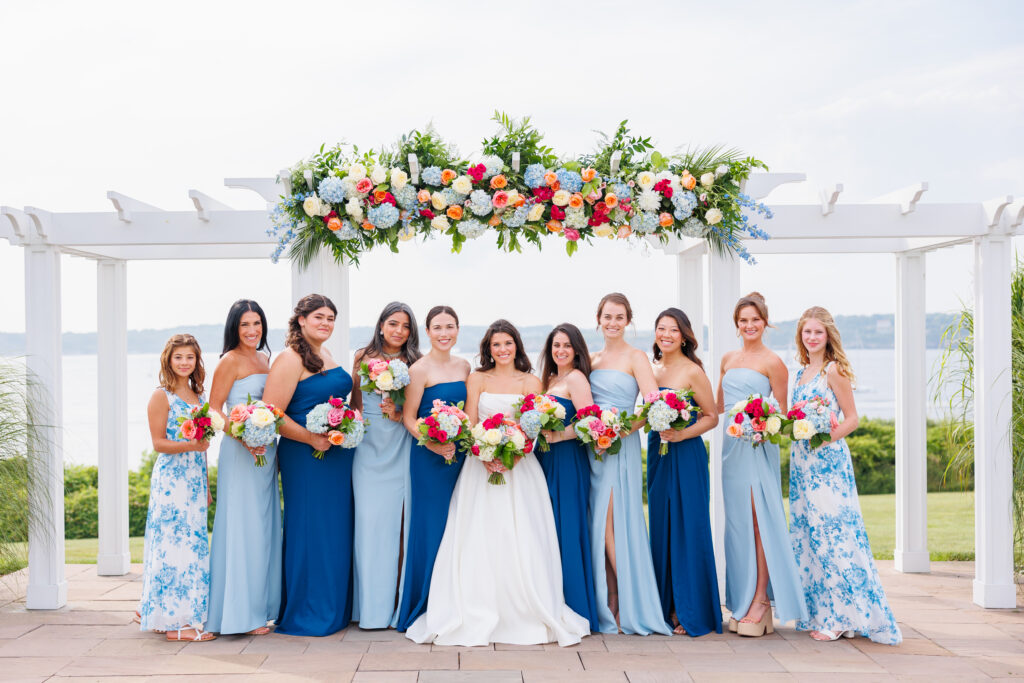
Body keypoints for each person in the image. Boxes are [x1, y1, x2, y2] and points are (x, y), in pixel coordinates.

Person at [406, 320, 590, 646]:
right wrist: (483, 452)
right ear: (488, 349)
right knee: (479, 535)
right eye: (496, 345)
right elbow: (471, 422)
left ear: (517, 346)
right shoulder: (476, 378)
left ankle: (527, 607)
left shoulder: (531, 381)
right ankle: (471, 606)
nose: (502, 350)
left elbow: (534, 426)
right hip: (481, 467)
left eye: (508, 343)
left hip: (521, 469)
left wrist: (513, 454)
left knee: (522, 537)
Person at [789, 307, 901, 644]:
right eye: (807, 332)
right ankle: (825, 612)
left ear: (828, 336)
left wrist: (823, 437)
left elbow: (852, 418)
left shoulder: (832, 370)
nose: (812, 338)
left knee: (834, 535)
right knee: (810, 537)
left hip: (827, 465)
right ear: (801, 336)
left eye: (818, 333)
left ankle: (841, 618)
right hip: (801, 465)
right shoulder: (800, 374)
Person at [717, 292, 808, 637]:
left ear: (765, 322)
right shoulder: (727, 358)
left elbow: (783, 416)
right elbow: (719, 405)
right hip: (730, 449)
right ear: (736, 324)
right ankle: (740, 600)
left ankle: (760, 601)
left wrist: (761, 423)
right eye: (743, 320)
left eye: (755, 320)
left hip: (758, 447)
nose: (749, 325)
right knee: (738, 523)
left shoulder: (773, 363)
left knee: (759, 522)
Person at [264, 294, 354, 636]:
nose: (326, 323)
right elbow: (271, 414)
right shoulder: (289, 359)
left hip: (337, 456)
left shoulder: (326, 354)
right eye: (319, 317)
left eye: (331, 318)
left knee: (334, 529)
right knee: (309, 528)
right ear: (301, 319)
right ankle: (307, 611)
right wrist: (311, 438)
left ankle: (334, 607)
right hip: (306, 456)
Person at [588, 293, 671, 635]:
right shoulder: (590, 360)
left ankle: (629, 598)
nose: (612, 323)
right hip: (592, 450)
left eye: (619, 317)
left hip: (620, 447)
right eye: (607, 317)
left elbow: (651, 406)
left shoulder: (637, 357)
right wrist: (595, 432)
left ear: (628, 321)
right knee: (600, 525)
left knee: (614, 520)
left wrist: (620, 430)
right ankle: (610, 601)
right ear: (598, 319)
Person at [206, 300, 282, 636]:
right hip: (240, 453)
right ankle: (239, 615)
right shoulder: (229, 361)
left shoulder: (265, 359)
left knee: (264, 528)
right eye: (245, 325)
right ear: (234, 329)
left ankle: (262, 606)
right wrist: (242, 435)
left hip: (266, 453)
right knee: (242, 528)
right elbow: (212, 410)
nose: (252, 331)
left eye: (257, 324)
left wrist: (263, 435)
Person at [647, 308, 722, 636]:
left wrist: (681, 433)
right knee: (662, 525)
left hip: (686, 452)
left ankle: (690, 610)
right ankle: (664, 606)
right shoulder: (652, 369)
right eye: (661, 329)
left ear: (684, 335)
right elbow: (644, 413)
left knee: (688, 526)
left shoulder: (692, 371)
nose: (666, 334)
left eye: (673, 330)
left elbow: (711, 416)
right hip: (658, 452)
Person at [395, 306, 471, 632]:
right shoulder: (418, 369)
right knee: (431, 526)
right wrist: (432, 442)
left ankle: (457, 598)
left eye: (450, 326)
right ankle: (424, 600)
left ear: (457, 329)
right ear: (427, 331)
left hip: (460, 456)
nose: (444, 333)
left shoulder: (466, 366)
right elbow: (409, 417)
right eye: (437, 327)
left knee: (461, 524)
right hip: (428, 457)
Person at [138, 334, 216, 642]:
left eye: (190, 357)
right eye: (178, 357)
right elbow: (158, 443)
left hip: (195, 479)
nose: (184, 363)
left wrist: (207, 485)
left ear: (197, 361)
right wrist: (190, 445)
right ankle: (174, 625)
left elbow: (204, 446)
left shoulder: (199, 395)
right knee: (171, 545)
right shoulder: (162, 396)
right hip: (172, 481)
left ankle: (170, 611)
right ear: (168, 360)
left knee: (193, 545)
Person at [349, 302, 421, 629]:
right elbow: (356, 404)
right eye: (393, 323)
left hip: (400, 444)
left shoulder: (415, 363)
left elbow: (417, 408)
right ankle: (369, 609)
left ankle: (396, 604)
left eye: (405, 326)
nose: (398, 331)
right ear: (381, 325)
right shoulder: (362, 357)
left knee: (400, 526)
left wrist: (398, 410)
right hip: (368, 445)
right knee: (369, 523)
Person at [535, 323, 600, 632]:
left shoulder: (576, 378)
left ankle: (575, 607)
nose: (560, 350)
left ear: (576, 350)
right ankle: (550, 601)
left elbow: (591, 423)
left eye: (566, 345)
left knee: (567, 529)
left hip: (568, 459)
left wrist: (559, 436)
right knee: (547, 529)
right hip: (544, 459)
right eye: (555, 345)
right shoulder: (549, 380)